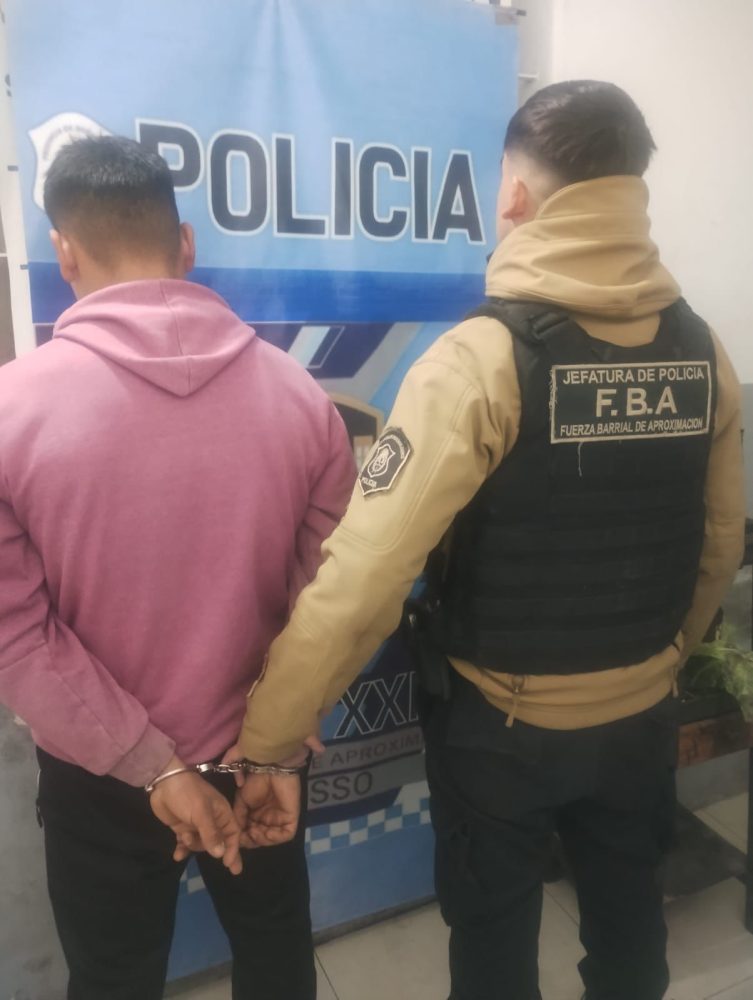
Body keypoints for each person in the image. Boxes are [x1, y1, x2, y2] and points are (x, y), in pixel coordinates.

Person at [228, 82, 746, 1000]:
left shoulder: (479, 361)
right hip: (638, 717)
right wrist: (659, 661)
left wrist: (269, 737)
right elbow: (717, 544)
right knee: (629, 923)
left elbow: (367, 575)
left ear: (513, 195)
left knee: (495, 938)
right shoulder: (702, 351)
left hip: (503, 733)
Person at [0, 135, 355, 1000]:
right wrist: (276, 741)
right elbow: (334, 599)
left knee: (112, 978)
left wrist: (151, 763)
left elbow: (14, 635)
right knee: (276, 955)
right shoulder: (301, 399)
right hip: (259, 754)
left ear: (65, 252)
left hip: (101, 773)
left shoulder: (12, 409)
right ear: (186, 244)